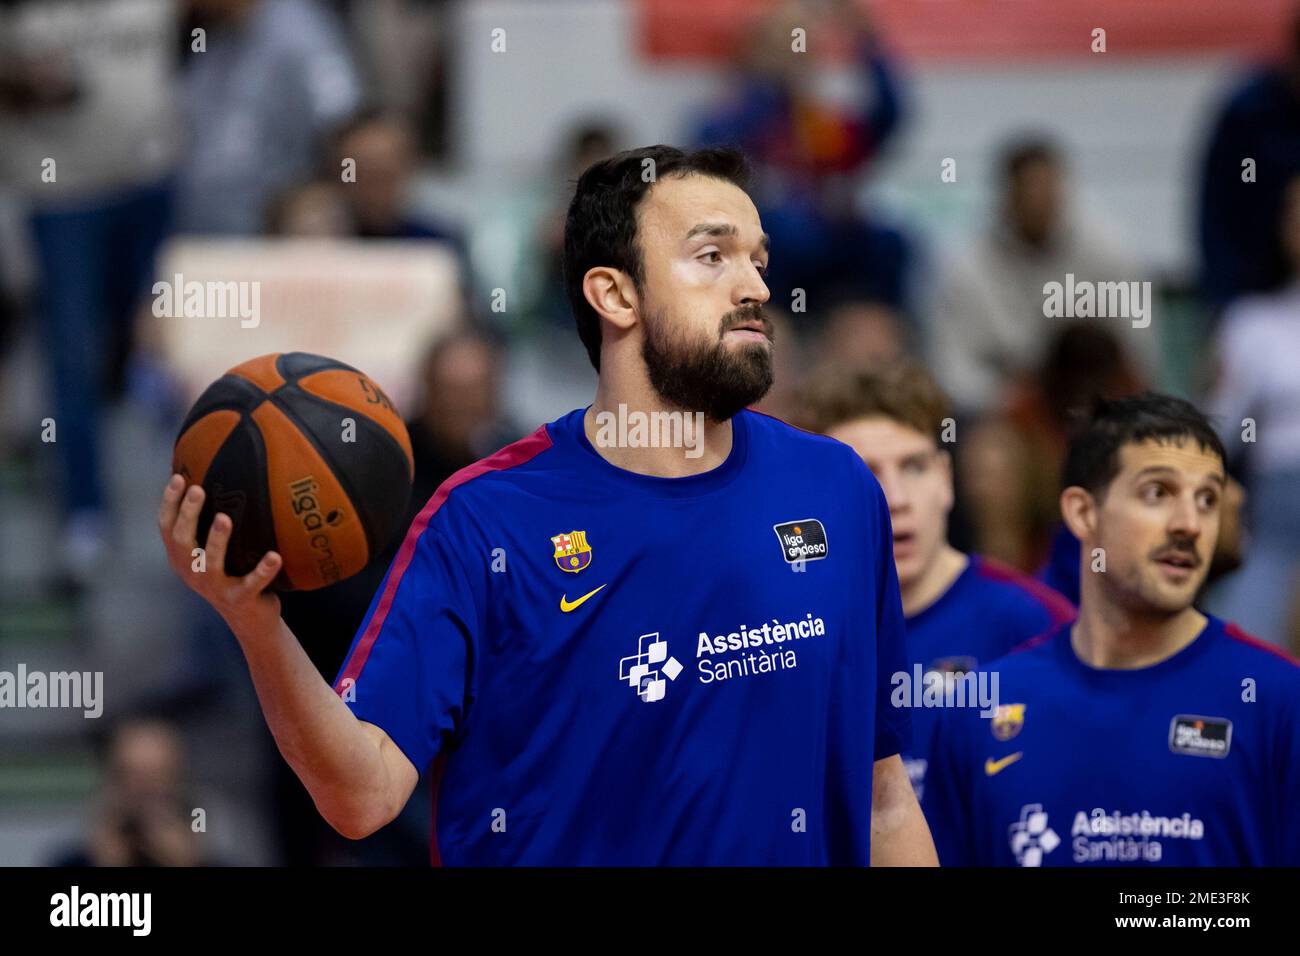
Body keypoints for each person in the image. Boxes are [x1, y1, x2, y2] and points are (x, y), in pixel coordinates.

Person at [157, 145, 936, 865]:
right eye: (712, 256)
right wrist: (259, 629)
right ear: (614, 293)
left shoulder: (838, 490)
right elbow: (362, 796)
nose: (757, 286)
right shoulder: (483, 518)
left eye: (758, 261)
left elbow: (886, 801)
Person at [922, 393, 1300, 866]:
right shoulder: (978, 709)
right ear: (1083, 513)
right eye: (1158, 493)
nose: (1189, 524)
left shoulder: (1279, 700)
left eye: (1207, 499)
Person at [801, 362, 1074, 801]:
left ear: (946, 479)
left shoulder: (1035, 622)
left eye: (914, 467)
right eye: (865, 475)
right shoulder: (796, 639)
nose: (896, 499)